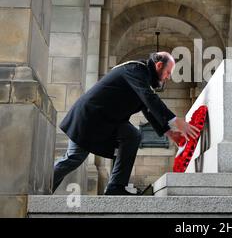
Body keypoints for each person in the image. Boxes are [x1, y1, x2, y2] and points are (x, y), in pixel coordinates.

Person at [53, 52, 199, 195]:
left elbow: (147, 108)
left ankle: (116, 186)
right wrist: (175, 120)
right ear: (159, 65)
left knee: (132, 135)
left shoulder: (143, 77)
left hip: (106, 120)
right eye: (168, 72)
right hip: (90, 118)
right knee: (73, 158)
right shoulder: (135, 69)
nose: (168, 77)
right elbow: (148, 98)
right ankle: (43, 186)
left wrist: (169, 132)